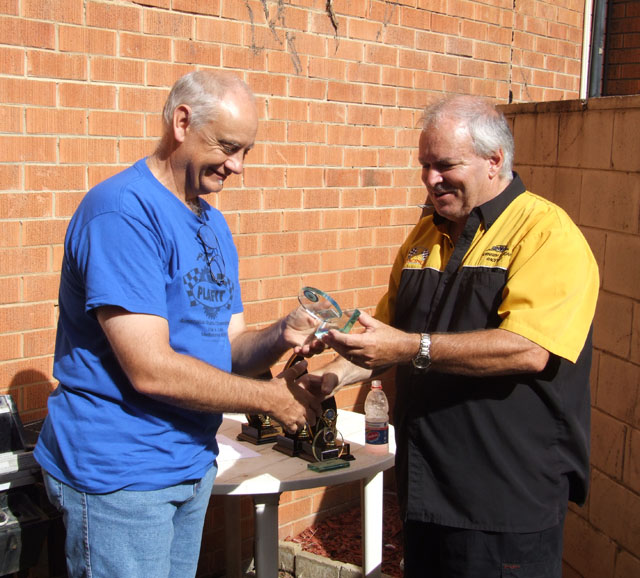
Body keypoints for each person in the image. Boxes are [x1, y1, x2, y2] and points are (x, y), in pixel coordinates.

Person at [34, 70, 323, 578]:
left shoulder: (211, 222)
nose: (237, 166)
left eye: (246, 151)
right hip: (120, 476)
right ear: (182, 122)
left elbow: (226, 346)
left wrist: (282, 333)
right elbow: (151, 369)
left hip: (188, 463)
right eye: (228, 146)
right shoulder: (123, 213)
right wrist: (271, 399)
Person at [305, 95, 599, 577]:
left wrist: (411, 347)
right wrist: (328, 381)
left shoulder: (547, 234)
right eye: (424, 165)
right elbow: (383, 338)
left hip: (504, 502)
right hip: (426, 492)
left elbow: (529, 349)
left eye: (445, 165)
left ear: (494, 160)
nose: (430, 178)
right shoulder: (424, 237)